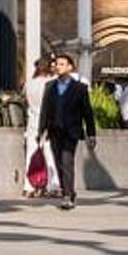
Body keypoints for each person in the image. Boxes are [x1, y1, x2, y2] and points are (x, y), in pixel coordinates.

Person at [31, 50, 96, 211]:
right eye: (56, 64)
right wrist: (41, 132)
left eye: (61, 64)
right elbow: (45, 111)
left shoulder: (80, 88)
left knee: (67, 161)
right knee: (58, 162)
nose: (57, 67)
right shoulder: (50, 86)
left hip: (71, 131)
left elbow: (87, 112)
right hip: (54, 130)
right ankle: (68, 191)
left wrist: (91, 133)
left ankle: (67, 195)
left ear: (70, 67)